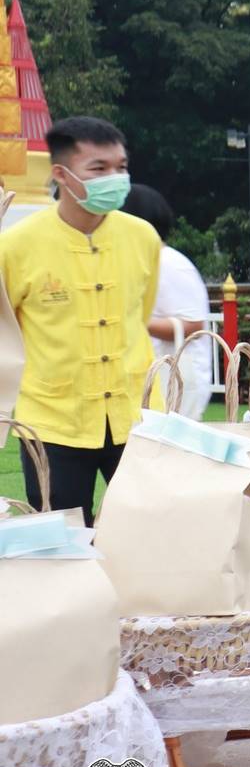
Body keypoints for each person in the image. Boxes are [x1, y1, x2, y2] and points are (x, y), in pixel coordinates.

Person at [0, 117, 159, 523]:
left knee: (149, 532)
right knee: (62, 544)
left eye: (121, 167)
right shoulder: (16, 246)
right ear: (61, 174)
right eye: (99, 169)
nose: (115, 178)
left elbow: (137, 319)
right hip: (53, 422)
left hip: (136, 417)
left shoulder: (143, 238)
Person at [121, 182, 212, 419]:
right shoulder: (143, 261)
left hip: (173, 382)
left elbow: (193, 325)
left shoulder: (168, 263)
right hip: (149, 379)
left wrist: (134, 320)